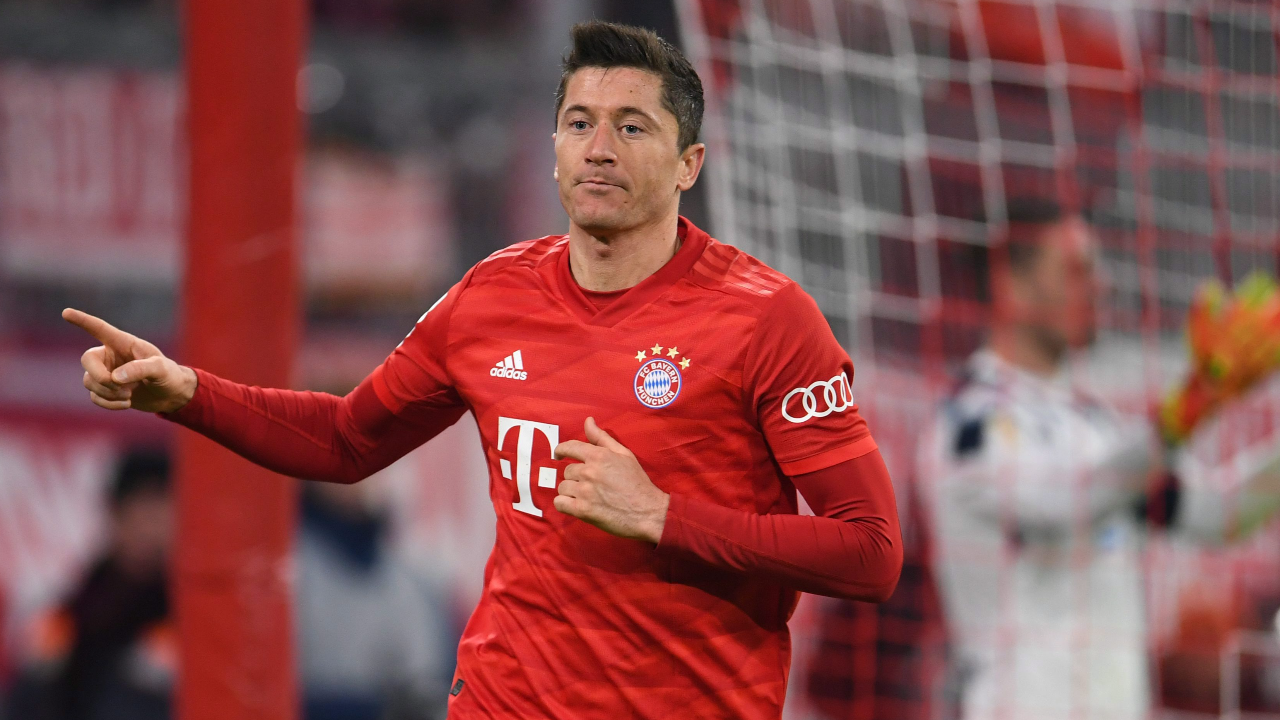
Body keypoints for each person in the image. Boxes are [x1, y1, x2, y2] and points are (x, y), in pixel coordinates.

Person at [62, 21, 903, 720]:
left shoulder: (766, 318)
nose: (599, 149)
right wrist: (188, 392)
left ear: (690, 163)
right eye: (579, 123)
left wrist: (663, 516)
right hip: (504, 701)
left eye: (632, 127)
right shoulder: (491, 296)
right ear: (553, 148)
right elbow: (347, 441)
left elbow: (870, 552)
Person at [917, 197, 1280, 720]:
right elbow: (1070, 500)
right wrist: (1194, 403)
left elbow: (1218, 514)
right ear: (1010, 283)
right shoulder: (968, 426)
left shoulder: (1097, 429)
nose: (1101, 284)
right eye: (1076, 270)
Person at [6, 449, 175, 720]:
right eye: (141, 515)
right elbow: (24, 705)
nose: (150, 532)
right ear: (115, 515)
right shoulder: (71, 614)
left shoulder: (184, 618)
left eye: (161, 518)